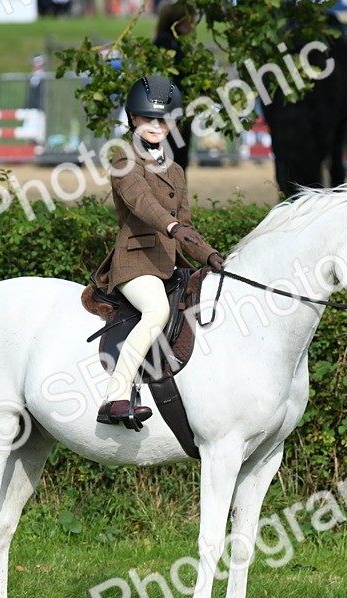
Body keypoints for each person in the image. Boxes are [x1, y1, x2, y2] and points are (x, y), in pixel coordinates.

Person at [91, 76, 225, 427]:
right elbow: (142, 202)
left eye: (163, 120)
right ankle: (115, 396)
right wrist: (172, 227)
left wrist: (210, 255)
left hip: (169, 264)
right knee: (155, 311)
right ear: (133, 119)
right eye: (148, 118)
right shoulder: (124, 158)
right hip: (135, 263)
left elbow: (187, 225)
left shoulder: (176, 171)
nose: (155, 126)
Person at [152, 2, 197, 170]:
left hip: (178, 114)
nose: (192, 26)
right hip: (168, 115)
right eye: (190, 21)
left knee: (178, 161)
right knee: (172, 162)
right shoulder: (167, 42)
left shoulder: (179, 43)